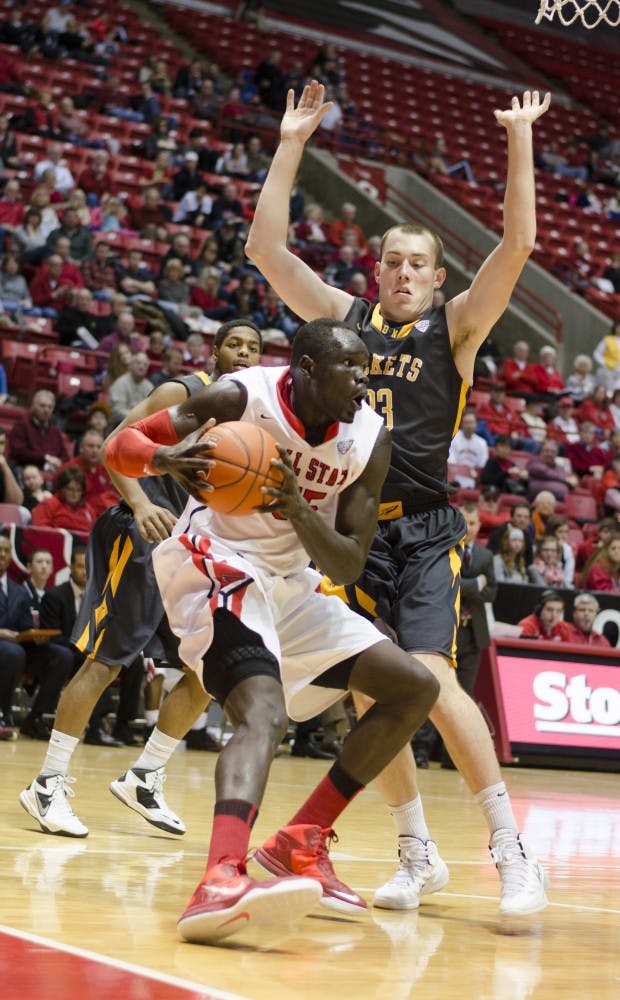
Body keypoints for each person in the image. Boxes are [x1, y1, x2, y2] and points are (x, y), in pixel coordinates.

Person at [244, 81, 551, 916]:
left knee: (431, 680)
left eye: (418, 263)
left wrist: (519, 138)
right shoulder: (348, 322)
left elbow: (518, 245)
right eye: (392, 262)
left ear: (437, 275)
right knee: (370, 694)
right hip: (350, 533)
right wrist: (291, 143)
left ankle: (509, 847)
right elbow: (267, 251)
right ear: (375, 272)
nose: (403, 273)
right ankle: (415, 852)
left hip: (423, 532)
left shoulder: (455, 329)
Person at [104, 317, 439, 942]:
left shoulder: (368, 438)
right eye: (351, 369)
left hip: (290, 580)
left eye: (367, 369)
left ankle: (300, 843)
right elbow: (118, 447)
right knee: (263, 711)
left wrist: (293, 507)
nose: (363, 383)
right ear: (306, 370)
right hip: (214, 563)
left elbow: (346, 561)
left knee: (412, 687)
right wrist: (164, 458)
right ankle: (219, 878)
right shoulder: (240, 396)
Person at [19, 320, 263, 840]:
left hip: (195, 544)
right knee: (108, 661)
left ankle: (146, 775)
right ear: (216, 352)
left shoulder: (253, 415)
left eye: (253, 348)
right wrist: (141, 500)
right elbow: (116, 442)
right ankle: (47, 783)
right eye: (235, 345)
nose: (243, 353)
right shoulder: (186, 391)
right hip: (145, 529)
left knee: (211, 666)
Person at [413, 503, 496, 769]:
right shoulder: (442, 549)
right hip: (444, 631)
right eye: (464, 521)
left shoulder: (485, 556)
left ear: (479, 525)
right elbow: (444, 584)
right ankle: (421, 750)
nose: (468, 528)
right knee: (434, 691)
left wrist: (468, 586)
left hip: (473, 634)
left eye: (472, 523)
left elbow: (492, 592)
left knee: (465, 694)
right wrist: (475, 584)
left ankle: (452, 757)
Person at [20, 548, 74, 740]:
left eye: (48, 562)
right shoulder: (20, 592)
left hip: (45, 647)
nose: (44, 566)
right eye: (39, 562)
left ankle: (40, 716)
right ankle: (37, 716)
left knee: (66, 655)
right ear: (29, 566)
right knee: (63, 656)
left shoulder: (54, 594)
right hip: (23, 648)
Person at [0, 533, 33, 735]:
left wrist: (33, 634)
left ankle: (36, 717)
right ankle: (4, 709)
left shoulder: (19, 591)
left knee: (60, 655)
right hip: (8, 648)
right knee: (13, 653)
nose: (2, 554)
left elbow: (25, 624)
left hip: (13, 646)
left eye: (6, 551)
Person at [8, 390, 69, 473]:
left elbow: (65, 456)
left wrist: (58, 462)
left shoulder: (55, 431)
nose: (46, 410)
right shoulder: (21, 426)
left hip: (51, 470)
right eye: (42, 406)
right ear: (33, 406)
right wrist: (45, 458)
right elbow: (19, 452)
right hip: (26, 469)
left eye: (50, 407)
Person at [31, 466, 96, 536]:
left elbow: (95, 535)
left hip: (84, 545)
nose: (75, 494)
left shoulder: (88, 509)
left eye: (79, 490)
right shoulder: (48, 504)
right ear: (61, 489)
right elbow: (39, 530)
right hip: (57, 544)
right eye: (70, 489)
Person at [526, 438, 578, 502]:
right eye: (546, 451)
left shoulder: (559, 467)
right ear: (541, 451)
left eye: (553, 452)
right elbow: (543, 472)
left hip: (557, 501)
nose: (549, 454)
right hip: (534, 499)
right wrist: (565, 480)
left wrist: (568, 482)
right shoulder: (534, 461)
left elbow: (570, 483)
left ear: (557, 453)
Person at [448, 409, 489, 488]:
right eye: (466, 422)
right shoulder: (453, 438)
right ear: (461, 424)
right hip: (455, 477)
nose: (469, 426)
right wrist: (465, 470)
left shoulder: (482, 443)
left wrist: (475, 473)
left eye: (471, 422)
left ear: (476, 424)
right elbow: (451, 462)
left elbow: (482, 465)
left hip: (473, 479)